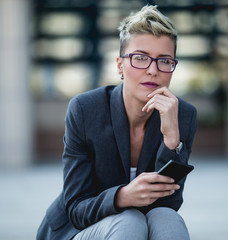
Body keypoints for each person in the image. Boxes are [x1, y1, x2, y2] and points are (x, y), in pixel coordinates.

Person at [37, 5, 197, 240]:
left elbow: (169, 202)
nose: (153, 70)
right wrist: (122, 197)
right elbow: (76, 208)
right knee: (128, 221)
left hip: (137, 227)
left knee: (167, 219)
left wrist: (172, 139)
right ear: (120, 65)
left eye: (164, 60)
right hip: (76, 230)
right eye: (140, 58)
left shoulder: (182, 115)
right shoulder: (85, 110)